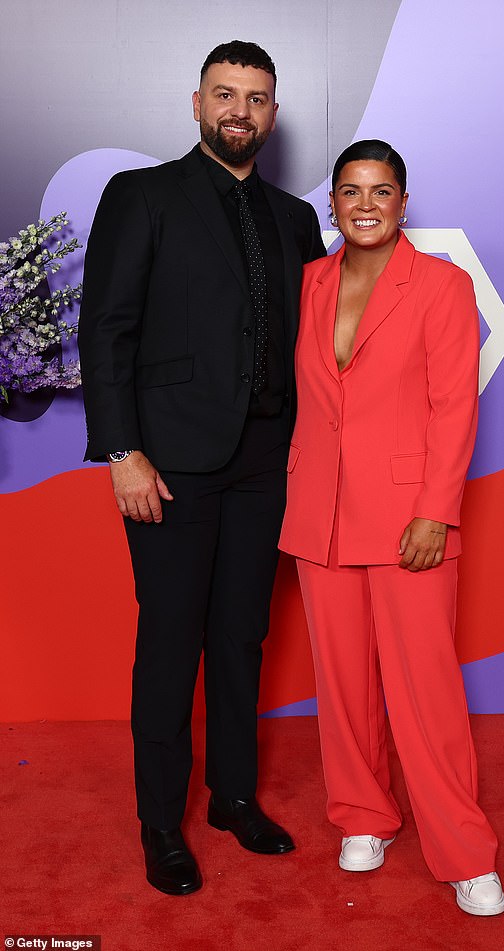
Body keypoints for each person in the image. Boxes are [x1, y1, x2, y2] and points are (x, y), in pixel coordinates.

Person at [79, 40, 326, 896]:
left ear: (273, 112)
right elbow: (105, 329)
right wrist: (122, 451)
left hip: (266, 462)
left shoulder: (296, 219)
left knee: (241, 638)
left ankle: (231, 796)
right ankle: (161, 822)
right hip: (169, 463)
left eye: (256, 99)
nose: (240, 112)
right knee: (171, 643)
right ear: (196, 104)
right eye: (225, 95)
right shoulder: (142, 195)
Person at [279, 140, 504, 916]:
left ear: (403, 201)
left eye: (381, 190)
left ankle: (465, 851)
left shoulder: (442, 286)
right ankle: (364, 814)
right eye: (350, 190)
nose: (365, 203)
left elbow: (455, 407)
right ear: (333, 204)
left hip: (412, 516)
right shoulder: (309, 281)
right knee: (340, 684)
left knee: (425, 691)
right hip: (322, 513)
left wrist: (436, 510)